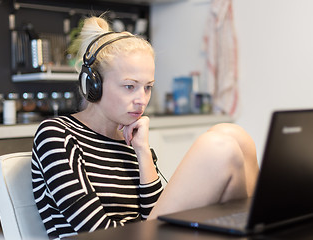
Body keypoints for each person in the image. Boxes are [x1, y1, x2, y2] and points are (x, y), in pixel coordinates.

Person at [31, 15, 259, 239]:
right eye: (129, 86)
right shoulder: (57, 135)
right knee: (220, 147)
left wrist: (142, 152)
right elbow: (96, 232)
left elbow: (150, 214)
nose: (142, 99)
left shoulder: (132, 140)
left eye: (147, 87)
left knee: (235, 136)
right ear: (93, 85)